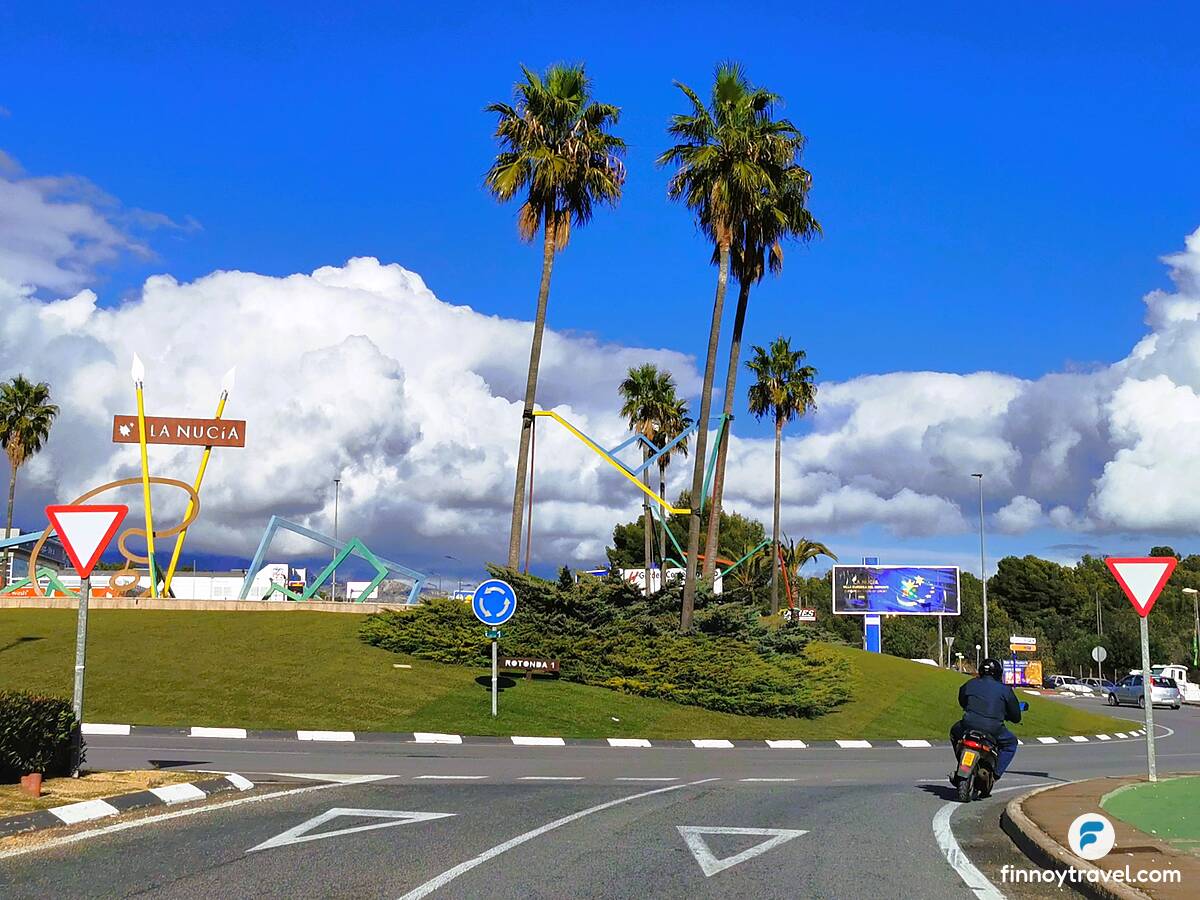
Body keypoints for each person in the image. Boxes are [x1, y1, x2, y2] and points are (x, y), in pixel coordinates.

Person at [950, 657, 1022, 781]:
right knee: (1011, 743)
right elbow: (1016, 717)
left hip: (968, 724)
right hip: (994, 728)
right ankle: (995, 774)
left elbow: (962, 701)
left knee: (954, 732)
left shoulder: (970, 684)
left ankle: (961, 762)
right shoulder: (1005, 690)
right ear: (999, 673)